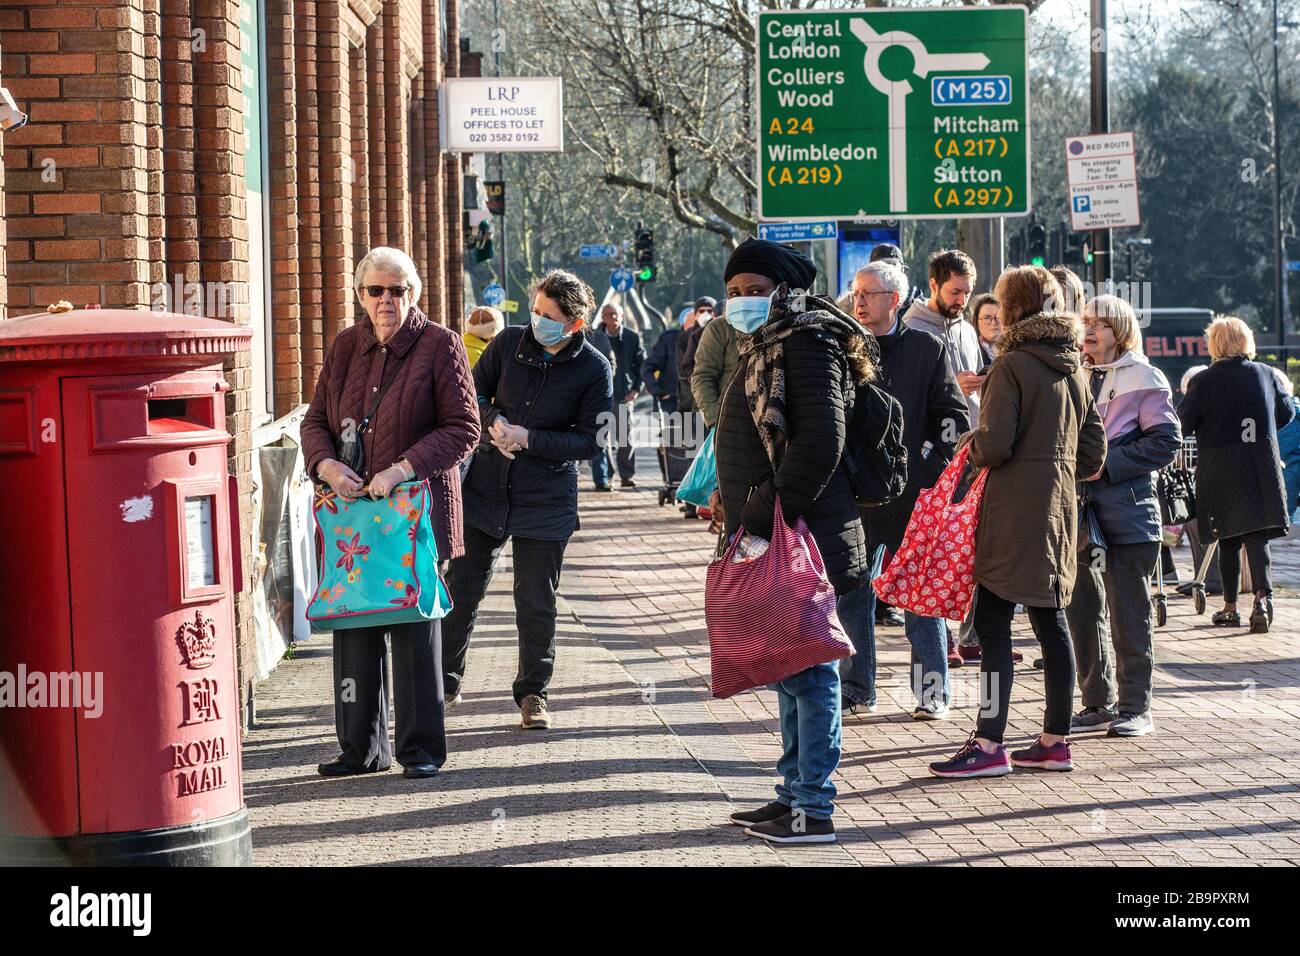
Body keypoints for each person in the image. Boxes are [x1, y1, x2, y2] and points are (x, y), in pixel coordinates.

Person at [715, 238, 874, 845]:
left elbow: (818, 445)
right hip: (780, 527)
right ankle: (790, 796)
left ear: (785, 291)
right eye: (734, 293)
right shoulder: (767, 343)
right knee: (790, 667)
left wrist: (762, 513)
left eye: (754, 291)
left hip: (806, 533)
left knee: (810, 673)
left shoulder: (807, 343)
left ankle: (813, 808)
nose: (743, 302)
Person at [301, 246, 480, 779]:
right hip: (353, 519)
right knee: (354, 627)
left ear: (413, 294)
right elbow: (314, 421)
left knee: (412, 630)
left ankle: (420, 750)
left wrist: (401, 468)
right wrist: (327, 466)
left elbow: (464, 428)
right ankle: (360, 749)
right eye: (374, 290)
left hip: (414, 517)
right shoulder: (343, 348)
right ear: (359, 295)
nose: (385, 300)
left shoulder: (441, 345)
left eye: (396, 290)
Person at [930, 265, 1106, 779]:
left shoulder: (1009, 367)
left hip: (1009, 515)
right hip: (1058, 514)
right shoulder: (1074, 367)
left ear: (1011, 309)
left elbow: (996, 444)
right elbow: (1093, 453)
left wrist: (972, 444)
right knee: (1052, 623)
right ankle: (1055, 740)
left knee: (992, 626)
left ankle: (988, 743)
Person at [442, 269, 612, 729]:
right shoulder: (507, 343)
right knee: (462, 587)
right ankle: (444, 682)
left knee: (536, 598)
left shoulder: (594, 368)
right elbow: (469, 394)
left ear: (575, 324)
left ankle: (533, 692)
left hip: (547, 495)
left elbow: (591, 442)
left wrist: (530, 438)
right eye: (536, 311)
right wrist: (494, 422)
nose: (538, 321)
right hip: (486, 485)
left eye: (549, 316)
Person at [842, 260, 969, 718]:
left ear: (893, 300)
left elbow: (954, 417)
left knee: (919, 594)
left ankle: (932, 693)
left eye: (867, 294)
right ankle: (857, 688)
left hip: (909, 495)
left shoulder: (926, 349)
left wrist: (928, 468)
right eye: (855, 293)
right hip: (853, 495)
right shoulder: (842, 348)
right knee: (852, 592)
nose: (858, 301)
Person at [1067, 295, 1181, 738]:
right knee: (1082, 609)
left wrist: (1107, 465)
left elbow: (1166, 441)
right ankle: (1097, 701)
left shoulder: (1144, 375)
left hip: (1128, 513)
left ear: (1123, 330)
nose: (1091, 329)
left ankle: (1136, 707)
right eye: (1087, 321)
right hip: (1077, 512)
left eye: (1102, 323)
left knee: (1129, 612)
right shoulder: (1073, 373)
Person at [1178, 316, 1295, 633]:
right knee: (1257, 536)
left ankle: (1230, 607)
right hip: (1260, 463)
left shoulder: (1203, 381)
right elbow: (1286, 413)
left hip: (1219, 468)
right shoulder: (1267, 374)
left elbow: (1183, 424)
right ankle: (1262, 599)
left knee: (1226, 538)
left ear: (1214, 344)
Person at [903, 249, 984, 427]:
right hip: (935, 446)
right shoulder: (911, 329)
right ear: (933, 285)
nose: (962, 300)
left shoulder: (968, 330)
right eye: (955, 292)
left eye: (967, 292)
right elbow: (905, 398)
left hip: (974, 442)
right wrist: (953, 390)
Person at [588, 302, 644, 490]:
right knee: (600, 438)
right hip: (599, 396)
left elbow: (641, 365)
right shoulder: (593, 337)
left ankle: (627, 476)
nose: (612, 318)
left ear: (621, 316)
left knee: (625, 438)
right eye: (608, 314)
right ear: (602, 317)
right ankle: (603, 477)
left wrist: (636, 389)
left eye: (615, 314)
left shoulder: (631, 337)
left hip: (623, 394)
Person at [970, 292, 1001, 367]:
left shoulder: (1015, 349)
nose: (993, 322)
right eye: (986, 318)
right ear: (976, 322)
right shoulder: (970, 350)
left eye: (998, 317)